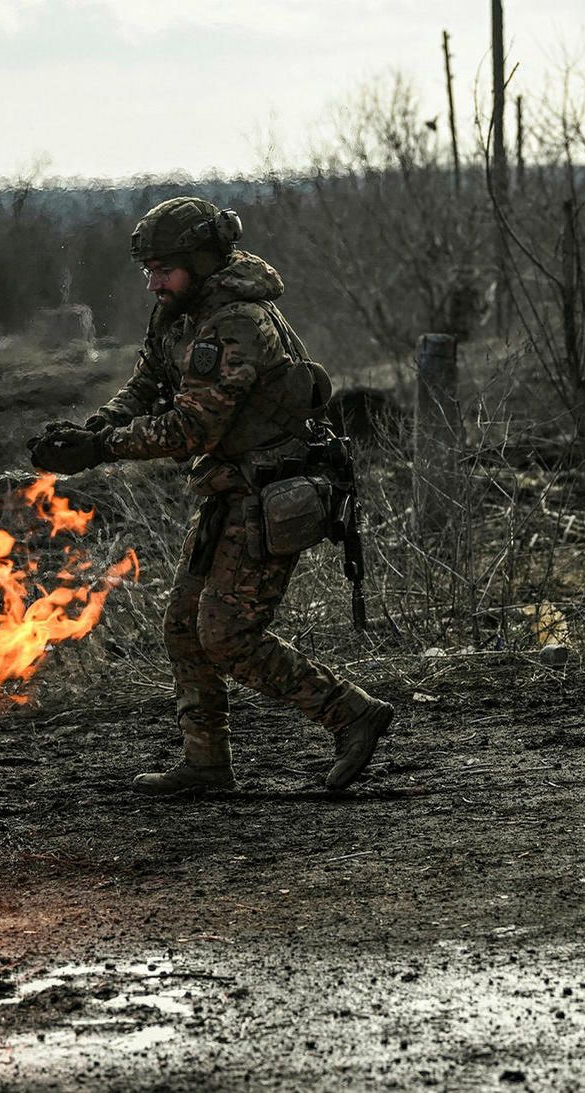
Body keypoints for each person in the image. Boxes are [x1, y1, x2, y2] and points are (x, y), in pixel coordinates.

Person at [27, 196, 393, 795]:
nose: (152, 283)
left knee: (226, 635)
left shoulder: (237, 324)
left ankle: (352, 714)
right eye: (147, 270)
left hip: (272, 490)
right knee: (181, 627)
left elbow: (193, 428)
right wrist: (94, 429)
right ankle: (205, 764)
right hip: (231, 487)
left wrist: (101, 450)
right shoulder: (180, 311)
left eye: (163, 269)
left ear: (199, 262)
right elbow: (147, 381)